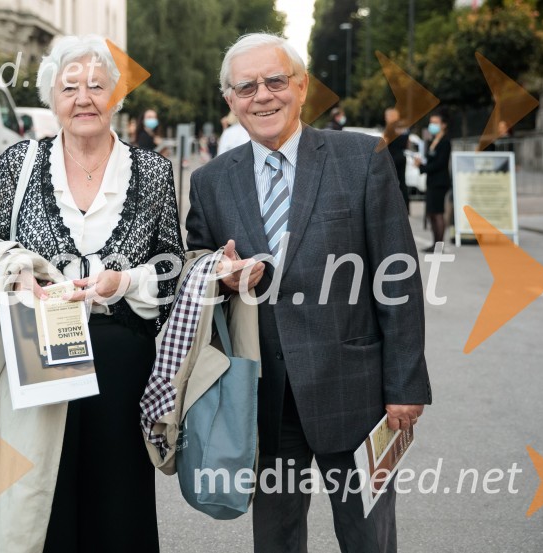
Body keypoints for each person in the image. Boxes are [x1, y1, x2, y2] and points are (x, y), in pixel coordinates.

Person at [186, 33, 431, 553]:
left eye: (275, 81)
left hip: (358, 395)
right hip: (265, 399)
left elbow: (399, 278)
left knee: (368, 539)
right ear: (230, 99)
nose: (262, 95)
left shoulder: (361, 157)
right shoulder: (211, 181)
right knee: (275, 541)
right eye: (246, 87)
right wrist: (217, 273)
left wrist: (406, 384)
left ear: (300, 87)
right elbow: (195, 263)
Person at [0, 35, 184, 553]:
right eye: (69, 88)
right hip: (36, 350)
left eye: (96, 86)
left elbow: (171, 268)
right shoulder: (19, 163)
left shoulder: (152, 172)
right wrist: (17, 271)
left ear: (115, 96)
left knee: (118, 502)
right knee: (42, 498)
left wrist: (123, 282)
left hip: (121, 361)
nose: (83, 98)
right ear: (51, 98)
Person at [415, 110, 452, 252]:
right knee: (431, 213)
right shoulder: (433, 141)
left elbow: (440, 164)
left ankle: (439, 246)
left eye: (436, 122)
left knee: (437, 213)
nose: (432, 125)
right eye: (431, 122)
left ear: (443, 125)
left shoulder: (445, 142)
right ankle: (434, 243)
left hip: (439, 182)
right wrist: (421, 163)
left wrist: (422, 167)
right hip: (432, 181)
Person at [384, 107, 410, 212]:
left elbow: (384, 143)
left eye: (386, 116)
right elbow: (407, 144)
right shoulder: (404, 128)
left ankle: (391, 208)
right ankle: (406, 207)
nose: (385, 118)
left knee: (390, 183)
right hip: (402, 157)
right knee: (402, 183)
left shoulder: (390, 128)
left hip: (391, 157)